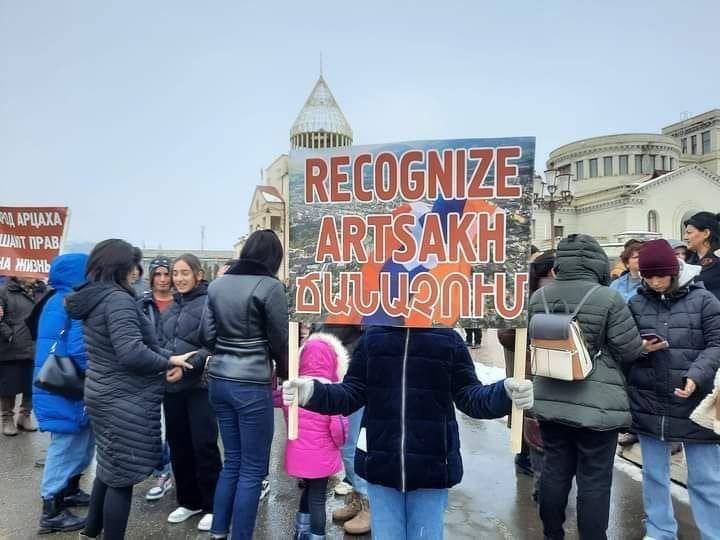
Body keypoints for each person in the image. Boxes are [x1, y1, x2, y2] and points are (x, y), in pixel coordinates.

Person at [283, 326, 533, 539]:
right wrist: (313, 393)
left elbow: (470, 397)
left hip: (432, 468)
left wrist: (504, 393)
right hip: (382, 466)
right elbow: (350, 394)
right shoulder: (373, 338)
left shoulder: (448, 339)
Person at [65, 239, 196, 540]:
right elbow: (131, 352)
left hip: (103, 391)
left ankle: (89, 532)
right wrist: (169, 359)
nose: (137, 272)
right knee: (121, 479)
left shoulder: (96, 298)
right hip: (122, 397)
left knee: (109, 470)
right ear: (121, 268)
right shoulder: (118, 300)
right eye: (133, 265)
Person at [528, 234, 643, 540]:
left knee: (554, 471)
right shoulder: (608, 298)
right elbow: (630, 350)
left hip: (550, 398)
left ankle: (552, 534)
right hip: (598, 407)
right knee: (594, 480)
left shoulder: (539, 298)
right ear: (596, 262)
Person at [627, 239, 720, 539]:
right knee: (653, 473)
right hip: (649, 398)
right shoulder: (636, 302)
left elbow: (717, 343)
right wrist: (640, 348)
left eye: (661, 275)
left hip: (695, 402)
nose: (655, 282)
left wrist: (696, 374)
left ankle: (713, 532)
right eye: (649, 276)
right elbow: (623, 348)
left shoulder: (704, 301)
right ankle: (659, 530)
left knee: (705, 478)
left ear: (675, 271)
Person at [202, 229, 289, 540]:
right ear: (273, 258)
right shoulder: (270, 286)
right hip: (251, 384)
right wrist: (288, 371)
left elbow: (207, 337)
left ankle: (218, 531)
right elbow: (280, 339)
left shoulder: (217, 285)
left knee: (233, 462)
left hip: (219, 381)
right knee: (253, 469)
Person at [32, 254, 95, 534]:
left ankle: (68, 490)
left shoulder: (55, 298)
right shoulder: (75, 301)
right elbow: (82, 351)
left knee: (77, 441)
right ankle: (51, 510)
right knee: (65, 445)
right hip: (68, 385)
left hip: (55, 383)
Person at [159, 254, 221, 531]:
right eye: (175, 273)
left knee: (204, 445)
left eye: (185, 272)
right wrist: (165, 363)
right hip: (172, 387)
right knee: (179, 445)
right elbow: (159, 343)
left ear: (198, 274)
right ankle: (188, 500)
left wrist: (187, 366)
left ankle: (213, 505)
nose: (178, 278)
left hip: (200, 386)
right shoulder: (171, 308)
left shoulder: (209, 303)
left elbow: (214, 344)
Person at [498, 249, 556, 496]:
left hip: (549, 368)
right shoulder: (525, 297)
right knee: (528, 418)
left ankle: (543, 472)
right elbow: (506, 334)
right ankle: (528, 464)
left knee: (538, 421)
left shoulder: (556, 294)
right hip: (529, 367)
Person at [284, 330, 349, 539]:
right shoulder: (331, 394)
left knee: (308, 491)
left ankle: (301, 530)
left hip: (300, 455)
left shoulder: (295, 390)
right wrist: (339, 444)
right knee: (318, 499)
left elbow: (288, 418)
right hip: (322, 457)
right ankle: (317, 535)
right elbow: (339, 430)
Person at [312, 324, 370, 536]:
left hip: (354, 371)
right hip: (339, 367)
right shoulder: (340, 293)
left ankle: (367, 502)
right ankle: (358, 496)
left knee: (352, 444)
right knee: (348, 443)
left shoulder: (366, 299)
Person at [138, 256, 174, 501]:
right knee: (150, 426)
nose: (162, 279)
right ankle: (155, 468)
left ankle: (165, 472)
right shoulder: (140, 303)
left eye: (166, 274)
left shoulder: (181, 302)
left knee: (172, 425)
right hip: (148, 371)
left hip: (175, 369)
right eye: (157, 274)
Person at [0, 275, 38, 436]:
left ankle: (25, 415)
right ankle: (7, 419)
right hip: (11, 347)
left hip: (35, 345)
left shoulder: (42, 291)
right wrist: (10, 335)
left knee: (31, 383)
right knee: (9, 384)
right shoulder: (4, 292)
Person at [684, 211, 720, 299]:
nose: (685, 237)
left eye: (689, 232)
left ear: (706, 233)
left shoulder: (718, 259)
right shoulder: (686, 260)